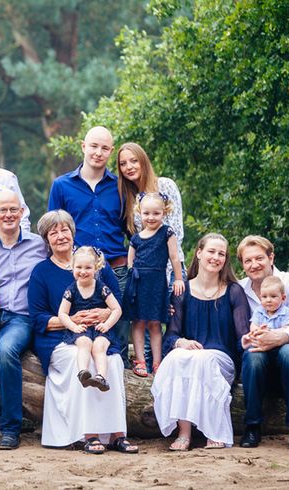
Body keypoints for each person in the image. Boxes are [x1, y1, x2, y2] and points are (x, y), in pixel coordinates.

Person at [28, 210, 138, 455]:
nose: (60, 236)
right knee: (84, 361)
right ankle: (88, 434)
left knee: (114, 361)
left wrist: (102, 314)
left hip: (99, 333)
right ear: (46, 240)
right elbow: (37, 318)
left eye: (64, 229)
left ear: (72, 232)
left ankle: (116, 434)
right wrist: (70, 320)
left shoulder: (95, 263)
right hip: (60, 338)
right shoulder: (41, 272)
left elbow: (117, 303)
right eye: (53, 232)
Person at [151, 233, 250, 451]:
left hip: (221, 359)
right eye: (211, 251)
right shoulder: (182, 290)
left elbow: (242, 334)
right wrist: (181, 342)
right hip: (190, 355)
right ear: (199, 253)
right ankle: (184, 432)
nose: (216, 257)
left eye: (221, 254)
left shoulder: (234, 291)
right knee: (178, 357)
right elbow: (171, 335)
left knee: (202, 359)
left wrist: (253, 339)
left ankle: (215, 431)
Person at [48, 126, 131, 365]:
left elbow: (132, 230)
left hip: (117, 269)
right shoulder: (62, 186)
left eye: (104, 148)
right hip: (80, 273)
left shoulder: (120, 186)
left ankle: (124, 393)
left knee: (118, 334)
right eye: (93, 146)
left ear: (111, 152)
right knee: (82, 330)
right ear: (83, 146)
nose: (98, 152)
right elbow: (54, 230)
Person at [0, 190, 47, 449]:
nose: (8, 215)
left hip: (21, 318)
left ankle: (10, 427)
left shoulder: (39, 245)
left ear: (22, 212)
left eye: (13, 210)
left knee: (6, 351)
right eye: (2, 210)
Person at [237, 235, 289, 452]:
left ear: (271, 257)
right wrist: (249, 337)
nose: (254, 265)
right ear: (242, 265)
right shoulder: (240, 290)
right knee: (253, 354)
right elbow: (241, 329)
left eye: (259, 258)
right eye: (247, 261)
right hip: (259, 362)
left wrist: (279, 337)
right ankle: (252, 426)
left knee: (288, 352)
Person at [117, 142, 186, 373]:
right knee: (141, 326)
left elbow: (176, 230)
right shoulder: (130, 198)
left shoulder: (164, 185)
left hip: (167, 270)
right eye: (123, 163)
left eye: (133, 160)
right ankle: (143, 370)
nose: (129, 167)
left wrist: (172, 277)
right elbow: (136, 245)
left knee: (169, 322)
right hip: (143, 276)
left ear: (143, 160)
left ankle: (165, 368)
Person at [124, 192, 185, 378]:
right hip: (139, 283)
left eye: (156, 213)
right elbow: (130, 264)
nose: (151, 217)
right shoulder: (135, 238)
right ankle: (141, 361)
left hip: (157, 282)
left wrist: (178, 278)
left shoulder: (167, 233)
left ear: (164, 213)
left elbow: (174, 257)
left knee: (155, 323)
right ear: (139, 213)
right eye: (146, 213)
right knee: (138, 322)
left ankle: (158, 363)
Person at [58, 246, 122, 392]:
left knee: (99, 347)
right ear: (72, 267)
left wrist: (107, 324)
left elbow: (117, 309)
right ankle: (83, 373)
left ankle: (100, 377)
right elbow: (62, 314)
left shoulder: (101, 288)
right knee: (84, 344)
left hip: (101, 328)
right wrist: (74, 327)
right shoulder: (71, 290)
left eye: (88, 267)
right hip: (82, 328)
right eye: (79, 267)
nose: (83, 271)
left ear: (96, 268)